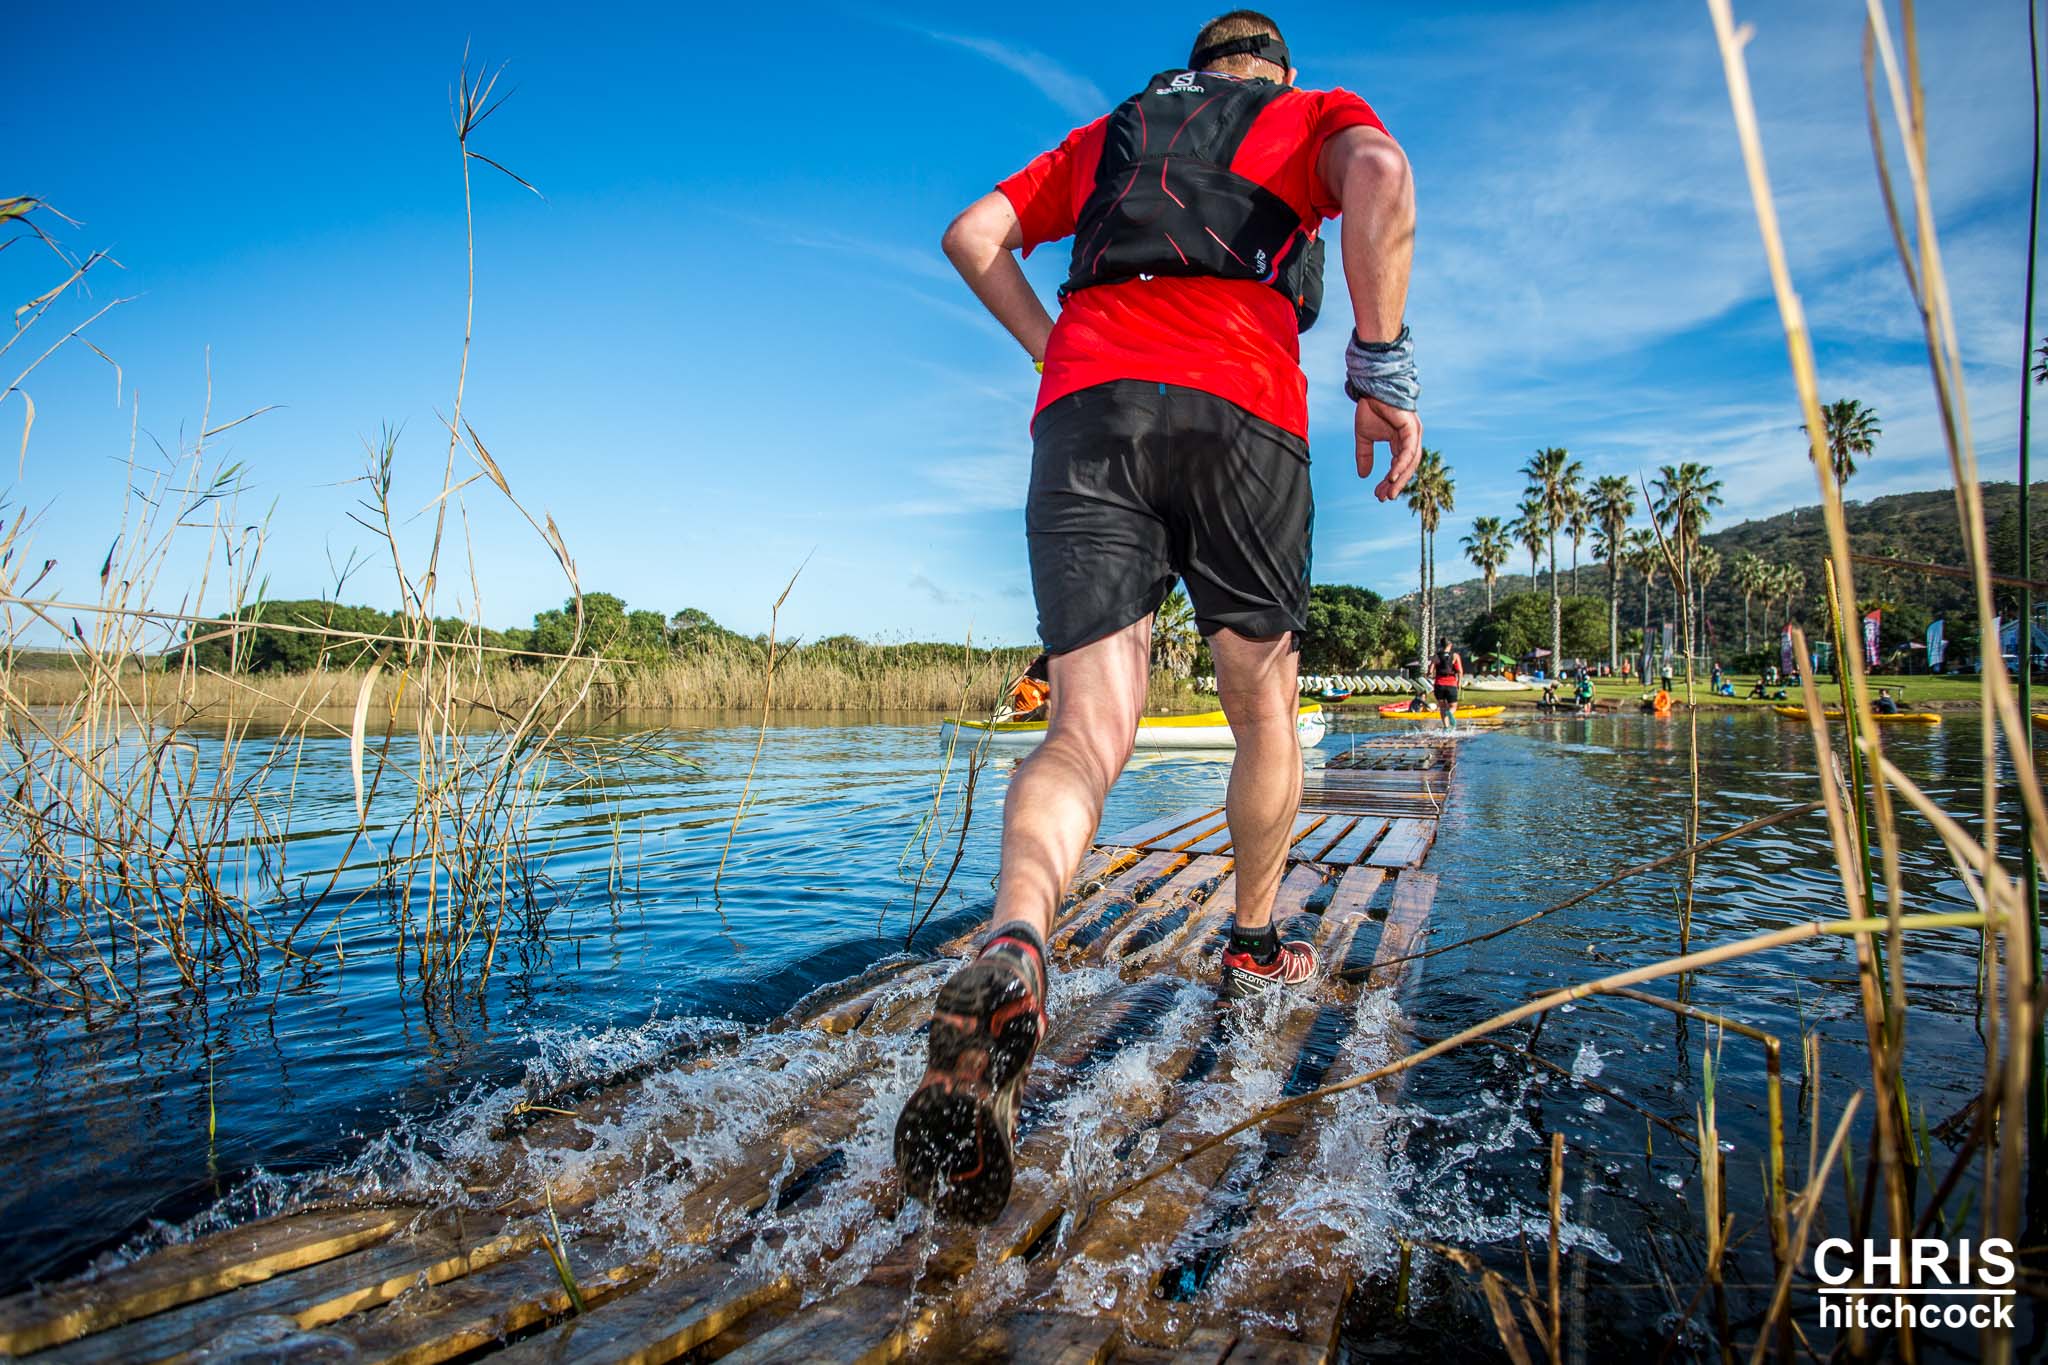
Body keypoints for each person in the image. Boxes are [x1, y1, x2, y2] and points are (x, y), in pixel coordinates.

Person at [897, 10, 1419, 1224]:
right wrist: (1379, 369)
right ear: (1272, 72)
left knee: (1084, 730)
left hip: (1087, 412)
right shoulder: (1305, 114)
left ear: (1192, 68)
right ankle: (1248, 940)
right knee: (1262, 710)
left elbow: (972, 235)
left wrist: (1051, 353)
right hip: (1238, 408)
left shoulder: (1114, 132)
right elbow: (1382, 179)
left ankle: (1017, 940)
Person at [1000, 653, 1052, 720]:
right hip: (1023, 718)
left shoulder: (1046, 686)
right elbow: (1006, 693)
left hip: (1040, 716)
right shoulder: (1023, 683)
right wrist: (1023, 675)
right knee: (1047, 704)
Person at [1432, 637, 1464, 729]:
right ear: (1450, 645)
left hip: (1439, 685)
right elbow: (1460, 671)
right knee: (1453, 706)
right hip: (1451, 684)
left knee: (1442, 707)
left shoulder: (1436, 656)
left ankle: (1446, 728)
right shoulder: (1455, 656)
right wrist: (1459, 683)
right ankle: (1450, 713)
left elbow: (1430, 670)